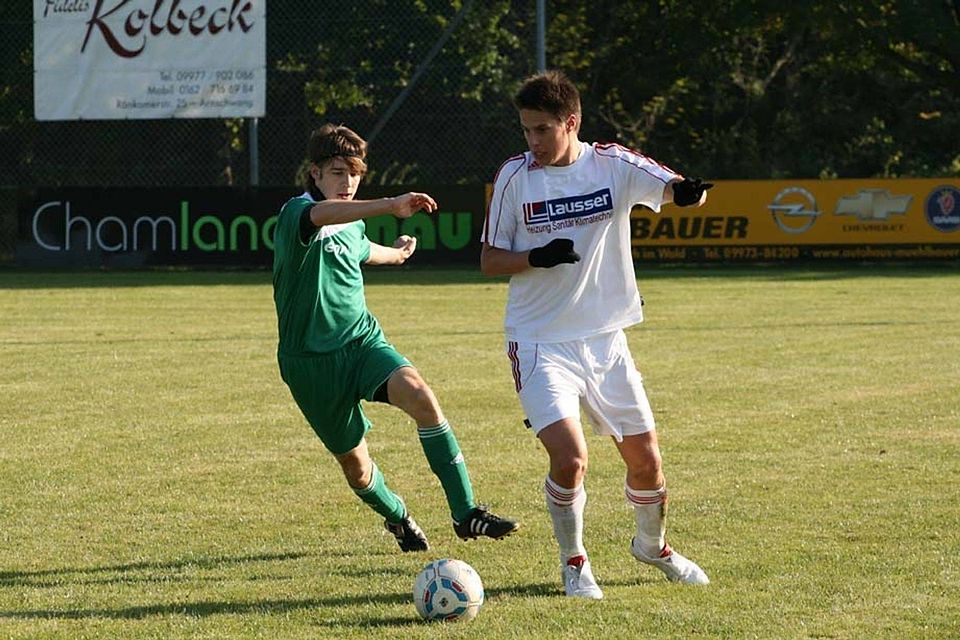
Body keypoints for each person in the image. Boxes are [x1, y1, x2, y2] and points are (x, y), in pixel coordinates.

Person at [480, 71, 711, 599]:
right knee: (571, 457)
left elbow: (675, 189)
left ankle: (652, 547)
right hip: (539, 341)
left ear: (571, 122)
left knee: (647, 461)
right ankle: (574, 562)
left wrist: (688, 195)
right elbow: (490, 259)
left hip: (606, 341)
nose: (532, 142)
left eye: (542, 130)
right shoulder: (515, 178)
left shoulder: (611, 164)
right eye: (526, 131)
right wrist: (535, 257)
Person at [274, 123, 518, 553]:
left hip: (361, 343)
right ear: (314, 174)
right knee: (357, 468)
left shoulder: (349, 220)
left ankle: (466, 513)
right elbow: (325, 217)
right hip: (310, 363)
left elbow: (364, 247)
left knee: (421, 395)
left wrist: (400, 253)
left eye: (354, 173)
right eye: (336, 172)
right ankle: (398, 517)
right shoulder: (298, 214)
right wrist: (391, 204)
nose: (347, 183)